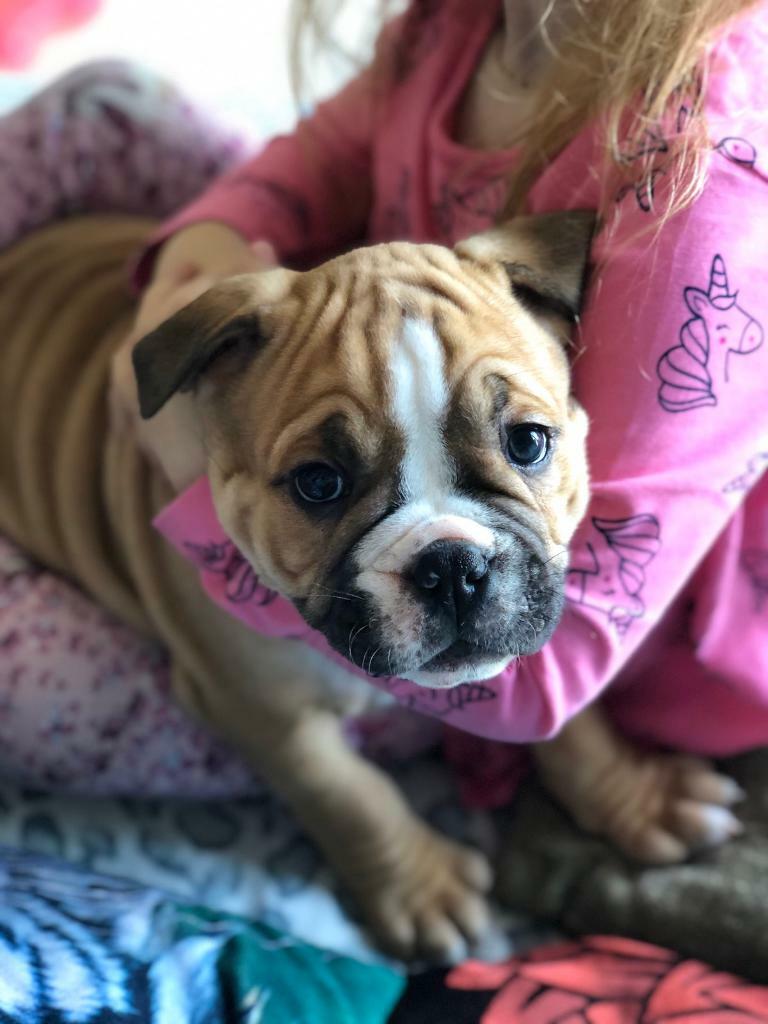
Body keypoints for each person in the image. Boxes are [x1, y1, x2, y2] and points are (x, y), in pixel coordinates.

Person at [1, 0, 766, 812]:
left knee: (30, 695)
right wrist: (200, 256)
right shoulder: (458, 23)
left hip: (590, 647)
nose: (449, 560)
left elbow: (541, 682)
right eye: (327, 482)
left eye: (525, 443)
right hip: (351, 343)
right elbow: (321, 155)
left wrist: (384, 848)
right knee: (109, 100)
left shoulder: (705, 185)